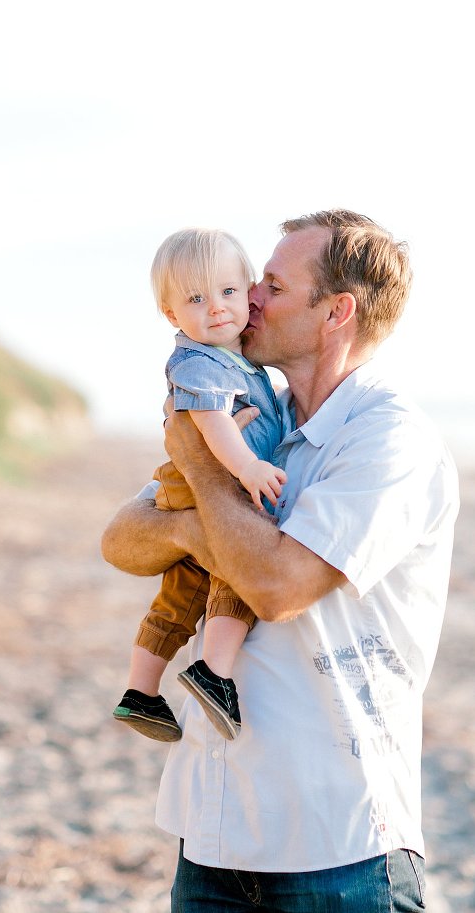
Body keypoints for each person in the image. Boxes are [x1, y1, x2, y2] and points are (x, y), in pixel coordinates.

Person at [101, 209, 459, 912]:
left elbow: (274, 584)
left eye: (272, 284)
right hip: (212, 831)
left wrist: (201, 471)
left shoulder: (387, 441)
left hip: (337, 849)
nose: (249, 298)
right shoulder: (250, 413)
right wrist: (206, 511)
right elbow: (121, 539)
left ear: (337, 312)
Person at [113, 227, 287, 744]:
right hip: (204, 480)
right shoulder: (199, 361)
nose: (216, 308)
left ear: (250, 292)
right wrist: (248, 468)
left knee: (184, 589)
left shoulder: (240, 362)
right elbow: (212, 424)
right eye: (196, 298)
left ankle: (140, 693)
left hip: (198, 482)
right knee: (237, 563)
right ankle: (215, 671)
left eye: (228, 292)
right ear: (172, 315)